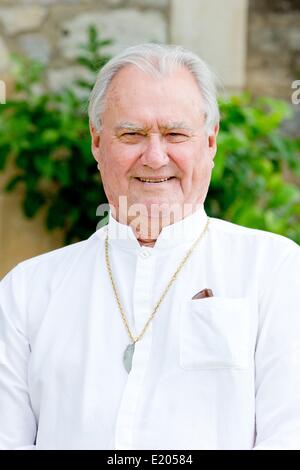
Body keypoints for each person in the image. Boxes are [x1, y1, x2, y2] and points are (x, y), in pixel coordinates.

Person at [0, 43, 299, 451]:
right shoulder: (26, 290)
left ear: (209, 143)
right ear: (97, 143)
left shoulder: (276, 271)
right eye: (132, 134)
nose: (155, 157)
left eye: (175, 134)